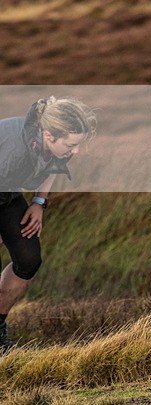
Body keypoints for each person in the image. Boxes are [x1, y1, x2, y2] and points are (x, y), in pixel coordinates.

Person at [0, 97, 96, 351]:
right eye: (71, 145)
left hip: (7, 193)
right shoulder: (14, 151)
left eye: (78, 144)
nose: (75, 151)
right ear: (48, 135)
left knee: (29, 259)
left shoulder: (57, 145)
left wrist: (39, 203)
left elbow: (57, 163)